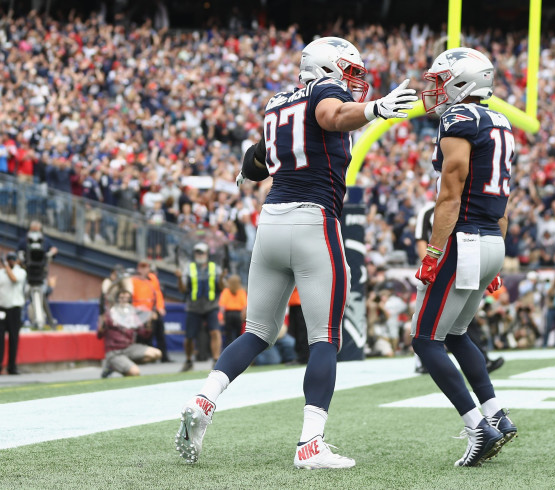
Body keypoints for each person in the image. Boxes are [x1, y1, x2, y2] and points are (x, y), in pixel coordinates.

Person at [175, 36, 417, 469]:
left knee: (256, 330)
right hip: (313, 221)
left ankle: (204, 399)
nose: (353, 81)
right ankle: (310, 443)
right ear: (327, 69)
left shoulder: (277, 101)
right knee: (325, 336)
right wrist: (373, 109)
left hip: (270, 223)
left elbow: (258, 160)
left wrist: (244, 171)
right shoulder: (326, 93)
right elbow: (331, 115)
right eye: (348, 71)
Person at [412, 47, 516, 468]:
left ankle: (478, 426)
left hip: (465, 239)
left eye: (440, 81)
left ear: (462, 82)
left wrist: (434, 251)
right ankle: (496, 414)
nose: (434, 90)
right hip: (492, 238)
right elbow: (504, 199)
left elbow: (450, 190)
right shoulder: (501, 121)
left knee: (425, 339)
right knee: (455, 333)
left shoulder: (460, 119)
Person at [414, 199, 504, 374]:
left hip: (461, 264)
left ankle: (482, 360)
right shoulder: (428, 211)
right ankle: (423, 361)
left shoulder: (464, 207)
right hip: (442, 266)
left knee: (462, 321)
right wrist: (429, 265)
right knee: (429, 320)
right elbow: (421, 241)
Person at [175, 243, 226, 372]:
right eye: (197, 252)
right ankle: (188, 360)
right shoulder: (189, 268)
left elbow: (221, 287)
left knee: (215, 331)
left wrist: (221, 278)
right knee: (189, 337)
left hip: (211, 305)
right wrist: (180, 278)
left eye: (202, 252)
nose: (200, 255)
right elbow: (182, 289)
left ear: (207, 254)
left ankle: (216, 360)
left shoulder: (215, 268)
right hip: (193, 307)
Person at [97, 289, 162, 377]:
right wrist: (102, 324)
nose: (124, 300)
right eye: (121, 297)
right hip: (114, 351)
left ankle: (122, 365)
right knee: (135, 373)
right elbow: (99, 335)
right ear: (117, 299)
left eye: (127, 298)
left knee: (157, 354)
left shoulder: (132, 314)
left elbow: (144, 334)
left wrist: (149, 323)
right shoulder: (110, 314)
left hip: (130, 348)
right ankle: (112, 365)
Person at [131, 261, 169, 362]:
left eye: (145, 267)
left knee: (160, 333)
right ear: (138, 269)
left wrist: (160, 307)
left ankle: (164, 357)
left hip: (152, 311)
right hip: (139, 313)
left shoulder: (152, 278)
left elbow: (158, 294)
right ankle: (145, 358)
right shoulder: (133, 280)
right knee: (143, 335)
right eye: (141, 267)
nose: (143, 270)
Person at [0, 252, 26, 374]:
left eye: (13, 259)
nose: (11, 261)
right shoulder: (1, 273)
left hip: (15, 309)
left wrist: (5, 266)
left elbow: (14, 279)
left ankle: (12, 366)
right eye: (9, 259)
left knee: (13, 338)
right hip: (2, 309)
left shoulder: (20, 272)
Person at [218, 274, 247, 349]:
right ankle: (239, 351)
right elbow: (245, 306)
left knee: (229, 336)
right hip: (238, 315)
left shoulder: (226, 291)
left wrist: (221, 317)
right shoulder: (241, 291)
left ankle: (229, 352)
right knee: (239, 336)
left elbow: (222, 306)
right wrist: (243, 316)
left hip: (229, 315)